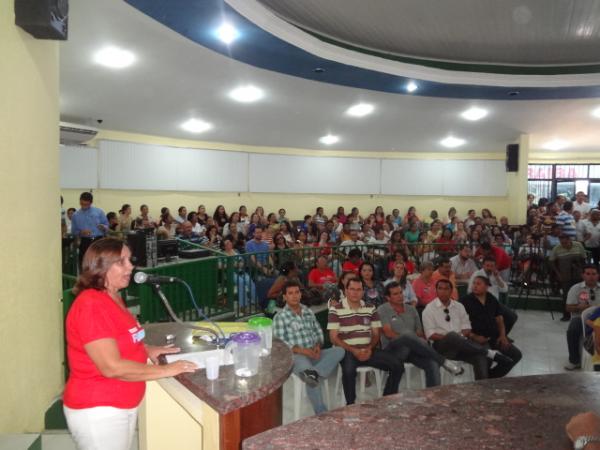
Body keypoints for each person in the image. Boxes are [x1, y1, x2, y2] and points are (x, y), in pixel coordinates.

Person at [63, 238, 197, 450]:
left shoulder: (112, 296)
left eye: (129, 259)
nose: (131, 266)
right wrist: (168, 369)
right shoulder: (91, 305)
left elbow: (121, 340)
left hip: (121, 401)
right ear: (101, 266)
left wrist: (147, 350)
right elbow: (111, 366)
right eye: (121, 261)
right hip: (98, 408)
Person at [327, 277, 403, 405]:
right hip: (348, 350)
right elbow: (333, 338)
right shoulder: (336, 309)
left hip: (368, 349)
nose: (355, 292)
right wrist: (354, 350)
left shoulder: (370, 308)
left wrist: (369, 347)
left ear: (363, 292)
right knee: (349, 371)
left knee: (398, 365)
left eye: (359, 289)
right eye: (352, 289)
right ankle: (350, 405)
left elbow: (376, 333)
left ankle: (387, 398)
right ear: (346, 291)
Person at [273, 281, 344, 415]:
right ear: (284, 297)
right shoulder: (280, 317)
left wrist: (317, 346)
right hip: (296, 357)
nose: (294, 296)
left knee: (340, 351)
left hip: (315, 353)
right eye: (290, 293)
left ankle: (315, 373)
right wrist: (302, 350)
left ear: (301, 294)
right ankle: (321, 412)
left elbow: (318, 331)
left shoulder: (307, 311)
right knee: (311, 378)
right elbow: (280, 345)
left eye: (297, 292)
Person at [422, 279, 512, 380]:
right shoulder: (429, 309)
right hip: (442, 347)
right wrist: (455, 338)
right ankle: (489, 353)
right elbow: (430, 335)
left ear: (452, 291)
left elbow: (467, 329)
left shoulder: (459, 306)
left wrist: (458, 339)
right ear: (436, 291)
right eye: (440, 288)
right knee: (452, 336)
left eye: (446, 289)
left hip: (463, 346)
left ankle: (481, 389)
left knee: (480, 357)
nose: (443, 291)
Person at [378, 282, 462, 387]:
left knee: (432, 364)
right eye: (395, 294)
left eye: (401, 292)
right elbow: (388, 333)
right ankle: (443, 361)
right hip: (393, 350)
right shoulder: (382, 309)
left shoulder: (411, 309)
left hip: (413, 350)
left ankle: (433, 395)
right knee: (407, 335)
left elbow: (419, 333)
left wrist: (418, 340)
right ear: (388, 297)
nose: (400, 296)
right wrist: (409, 338)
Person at [460, 276, 522, 378]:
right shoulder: (465, 301)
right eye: (474, 283)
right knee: (485, 360)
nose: (475, 286)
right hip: (478, 339)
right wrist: (473, 336)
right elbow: (459, 324)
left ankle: (490, 378)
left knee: (516, 355)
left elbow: (499, 319)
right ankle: (483, 382)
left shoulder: (491, 298)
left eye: (478, 284)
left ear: (486, 286)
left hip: (495, 337)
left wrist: (503, 336)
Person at [565, 265, 600, 370]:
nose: (591, 277)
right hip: (580, 317)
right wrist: (579, 307)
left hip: (598, 319)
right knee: (572, 329)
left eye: (594, 274)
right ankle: (574, 360)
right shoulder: (576, 288)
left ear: (598, 276)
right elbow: (568, 308)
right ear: (583, 275)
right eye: (588, 274)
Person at [550, 233, 587, 321]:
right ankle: (566, 315)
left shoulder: (578, 245)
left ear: (569, 240)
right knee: (566, 295)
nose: (564, 244)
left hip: (579, 275)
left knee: (582, 295)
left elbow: (584, 259)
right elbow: (551, 262)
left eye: (565, 242)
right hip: (565, 275)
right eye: (562, 243)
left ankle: (583, 314)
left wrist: (583, 272)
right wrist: (558, 274)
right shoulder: (557, 248)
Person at [71, 192, 109, 266]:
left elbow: (107, 225)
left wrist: (103, 227)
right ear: (80, 201)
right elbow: (74, 231)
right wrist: (81, 232)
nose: (84, 206)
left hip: (98, 241)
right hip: (85, 242)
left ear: (91, 203)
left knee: (99, 264)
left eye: (86, 205)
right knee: (84, 264)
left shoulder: (99, 212)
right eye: (82, 204)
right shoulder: (75, 215)